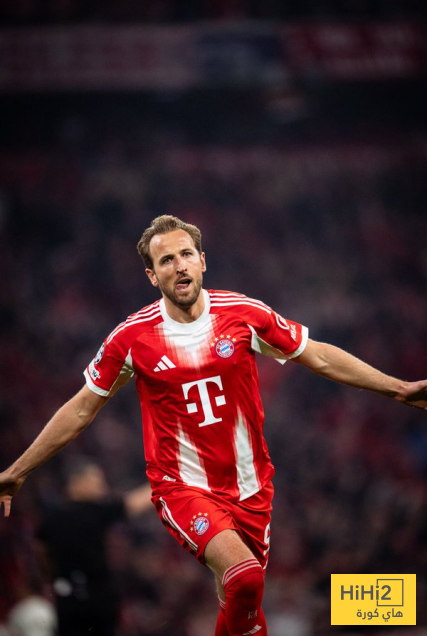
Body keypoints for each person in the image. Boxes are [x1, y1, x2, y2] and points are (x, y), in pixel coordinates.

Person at [0, 215, 426, 636]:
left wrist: (398, 388)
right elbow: (81, 409)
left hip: (252, 488)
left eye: (186, 254)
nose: (179, 265)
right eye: (166, 260)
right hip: (183, 488)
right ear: (152, 275)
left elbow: (318, 355)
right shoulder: (131, 338)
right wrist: (18, 471)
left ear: (202, 260)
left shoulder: (243, 313)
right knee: (245, 577)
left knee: (242, 600)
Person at [36, 456, 152, 636]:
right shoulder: (96, 511)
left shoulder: (51, 517)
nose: (102, 488)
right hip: (97, 595)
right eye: (96, 482)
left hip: (67, 596)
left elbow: (42, 552)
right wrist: (168, 481)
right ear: (76, 482)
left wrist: (52, 577)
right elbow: (135, 502)